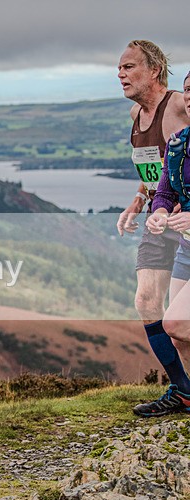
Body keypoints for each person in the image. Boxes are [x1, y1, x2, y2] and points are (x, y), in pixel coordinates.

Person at [115, 40, 190, 416]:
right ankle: (183, 389)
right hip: (158, 220)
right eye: (119, 68)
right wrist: (139, 200)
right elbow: (153, 170)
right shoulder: (134, 114)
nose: (120, 74)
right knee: (146, 301)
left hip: (186, 221)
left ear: (154, 70)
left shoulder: (177, 103)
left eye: (129, 67)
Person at [143, 72, 190, 415]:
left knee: (175, 323)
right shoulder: (178, 144)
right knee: (180, 336)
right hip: (187, 249)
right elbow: (164, 193)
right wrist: (157, 213)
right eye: (188, 90)